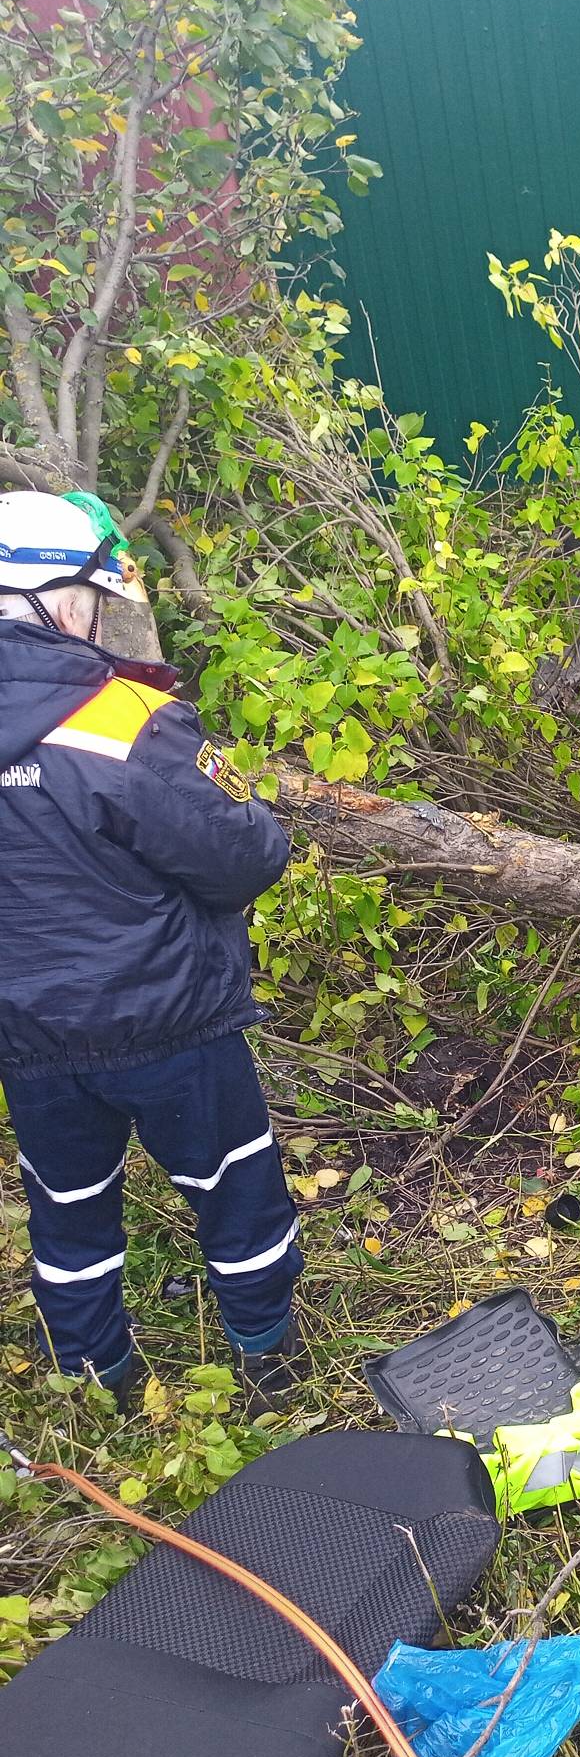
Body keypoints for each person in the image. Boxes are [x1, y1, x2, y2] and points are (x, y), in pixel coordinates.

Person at [0, 489, 301, 1406]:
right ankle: (268, 1361)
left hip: (26, 1035)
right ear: (54, 595)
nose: (95, 614)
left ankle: (96, 1383)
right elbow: (242, 854)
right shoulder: (120, 717)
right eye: (91, 593)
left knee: (67, 1211)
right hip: (167, 1017)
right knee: (235, 1190)